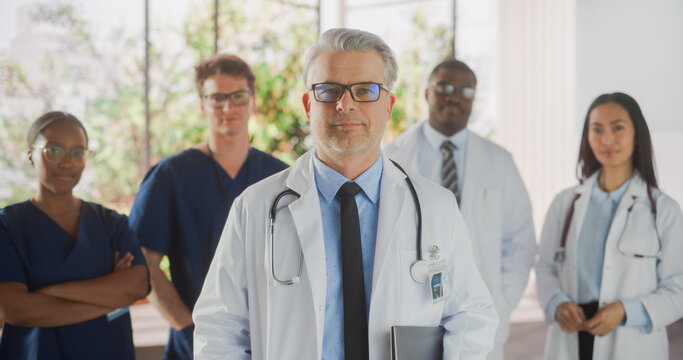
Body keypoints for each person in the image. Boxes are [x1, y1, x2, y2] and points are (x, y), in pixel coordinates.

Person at [193, 28, 498, 359]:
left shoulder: (435, 206)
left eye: (364, 90)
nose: (345, 104)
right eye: (330, 90)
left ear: (388, 105)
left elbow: (472, 316)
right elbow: (218, 330)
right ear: (309, 104)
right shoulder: (254, 208)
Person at [128, 54, 288, 359]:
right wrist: (188, 327)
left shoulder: (281, 177)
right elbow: (143, 262)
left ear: (253, 102)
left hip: (270, 342)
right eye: (216, 98)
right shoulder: (171, 175)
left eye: (238, 96)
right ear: (202, 105)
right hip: (193, 345)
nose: (228, 108)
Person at [384, 59, 536, 359]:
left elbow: (521, 241)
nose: (453, 97)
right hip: (411, 314)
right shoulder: (392, 159)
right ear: (427, 93)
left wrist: (501, 302)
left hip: (480, 314)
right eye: (444, 87)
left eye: (465, 91)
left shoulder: (500, 162)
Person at [536, 92, 683, 360]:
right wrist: (557, 303)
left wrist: (627, 311)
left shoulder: (664, 210)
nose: (607, 140)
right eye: (597, 129)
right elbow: (545, 266)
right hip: (571, 335)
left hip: (632, 340)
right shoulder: (565, 203)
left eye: (617, 128)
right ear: (587, 137)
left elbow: (679, 287)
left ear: (637, 133)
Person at [0, 111, 149, 359]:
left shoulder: (112, 224)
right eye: (54, 151)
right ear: (30, 156)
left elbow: (137, 285)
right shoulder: (7, 226)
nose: (67, 162)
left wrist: (45, 292)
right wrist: (110, 299)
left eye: (78, 152)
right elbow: (16, 310)